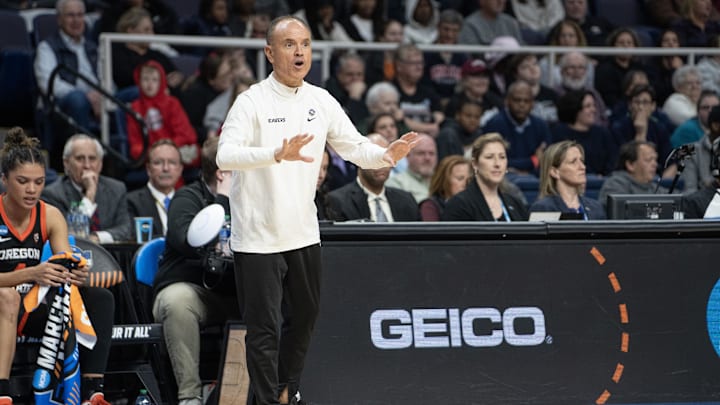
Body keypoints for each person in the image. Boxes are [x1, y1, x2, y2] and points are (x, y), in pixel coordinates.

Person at [216, 16, 418, 405]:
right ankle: (267, 399)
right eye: (290, 44)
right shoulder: (251, 101)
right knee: (264, 330)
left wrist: (385, 154)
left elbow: (353, 145)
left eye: (305, 44)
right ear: (270, 52)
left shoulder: (320, 100)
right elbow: (226, 154)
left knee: (305, 320)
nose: (299, 52)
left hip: (303, 232)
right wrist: (275, 153)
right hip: (257, 237)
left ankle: (283, 391)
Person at [0, 127, 114, 405]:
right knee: (8, 296)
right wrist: (31, 273)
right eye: (22, 181)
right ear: (4, 180)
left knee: (100, 297)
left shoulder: (50, 214)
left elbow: (63, 260)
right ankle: (2, 392)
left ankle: (92, 390)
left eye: (39, 182)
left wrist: (73, 271)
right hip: (4, 300)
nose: (31, 189)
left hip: (33, 303)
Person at [152, 136, 240, 405]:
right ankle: (189, 397)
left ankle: (255, 393)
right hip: (194, 291)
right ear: (223, 173)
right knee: (177, 303)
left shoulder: (251, 202)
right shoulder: (187, 197)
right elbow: (185, 239)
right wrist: (223, 201)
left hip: (236, 291)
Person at [34, 0, 102, 169]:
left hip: (97, 99)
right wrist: (87, 97)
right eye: (70, 15)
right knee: (78, 100)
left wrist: (102, 97)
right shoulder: (47, 47)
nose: (76, 20)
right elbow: (49, 85)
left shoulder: (93, 48)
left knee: (131, 95)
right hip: (62, 106)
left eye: (80, 15)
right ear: (59, 19)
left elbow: (106, 80)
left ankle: (128, 163)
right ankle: (84, 160)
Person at [42, 134, 132, 243]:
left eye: (92, 158)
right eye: (80, 159)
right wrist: (89, 196)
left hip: (111, 257)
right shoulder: (53, 194)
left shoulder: (117, 189)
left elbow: (126, 229)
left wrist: (97, 238)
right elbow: (70, 233)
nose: (87, 165)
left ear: (100, 164)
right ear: (66, 163)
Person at [327, 134, 421, 222]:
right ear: (359, 160)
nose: (381, 164)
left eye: (385, 157)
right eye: (375, 157)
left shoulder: (407, 200)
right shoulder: (338, 201)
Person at [127, 61, 199, 169]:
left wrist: (166, 148)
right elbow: (135, 143)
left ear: (162, 82)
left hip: (176, 148)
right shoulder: (134, 108)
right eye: (145, 79)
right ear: (139, 81)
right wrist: (155, 152)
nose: (149, 84)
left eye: (154, 80)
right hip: (149, 154)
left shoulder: (172, 103)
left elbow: (185, 134)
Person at [442, 132, 529, 221]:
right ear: (475, 164)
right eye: (489, 157)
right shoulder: (458, 205)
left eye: (502, 157)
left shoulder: (516, 204)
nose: (497, 164)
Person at [483, 80, 552, 175]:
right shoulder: (494, 124)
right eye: (517, 100)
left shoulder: (541, 125)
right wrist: (533, 161)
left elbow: (546, 162)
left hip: (535, 179)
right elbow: (494, 162)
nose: (522, 105)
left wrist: (528, 171)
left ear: (533, 104)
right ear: (507, 101)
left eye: (526, 101)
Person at [529, 140, 606, 219]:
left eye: (582, 161)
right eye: (573, 162)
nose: (582, 167)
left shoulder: (596, 207)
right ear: (554, 172)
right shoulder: (543, 208)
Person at [127, 140, 183, 237]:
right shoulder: (131, 202)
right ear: (148, 169)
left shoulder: (188, 202)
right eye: (158, 163)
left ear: (180, 169)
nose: (165, 168)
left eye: (172, 162)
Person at [552, 89, 616, 176]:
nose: (593, 110)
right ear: (576, 108)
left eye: (594, 106)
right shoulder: (559, 133)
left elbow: (612, 162)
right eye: (588, 106)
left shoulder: (603, 133)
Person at [597, 140, 668, 209]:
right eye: (648, 160)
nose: (655, 164)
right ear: (630, 165)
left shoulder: (654, 187)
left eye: (655, 160)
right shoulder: (614, 185)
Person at [386, 133, 438, 202]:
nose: (427, 158)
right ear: (407, 155)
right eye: (421, 153)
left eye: (431, 153)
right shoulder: (396, 183)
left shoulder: (444, 182)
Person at [419, 155, 472, 221]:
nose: (466, 184)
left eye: (469, 179)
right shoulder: (430, 206)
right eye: (460, 178)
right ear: (444, 181)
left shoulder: (474, 205)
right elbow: (432, 231)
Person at [681, 104, 720, 192]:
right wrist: (713, 185)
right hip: (703, 204)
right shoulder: (690, 151)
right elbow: (689, 194)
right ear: (716, 126)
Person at [323, 53, 369, 126]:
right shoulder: (328, 93)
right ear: (339, 74)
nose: (355, 79)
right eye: (350, 74)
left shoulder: (367, 91)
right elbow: (349, 124)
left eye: (359, 74)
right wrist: (354, 98)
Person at [459, 0, 524, 45]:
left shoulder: (511, 22)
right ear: (482, 1)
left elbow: (521, 48)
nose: (501, 1)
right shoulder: (470, 24)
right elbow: (470, 54)